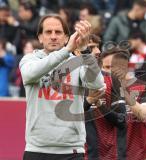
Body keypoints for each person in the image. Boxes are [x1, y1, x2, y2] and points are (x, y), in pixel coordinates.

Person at [20, 14, 105, 160]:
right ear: (40, 37)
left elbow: (97, 84)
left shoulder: (78, 61)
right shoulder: (30, 60)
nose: (53, 36)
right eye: (48, 32)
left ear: (67, 38)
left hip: (71, 149)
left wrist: (85, 49)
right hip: (37, 148)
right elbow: (29, 74)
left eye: (58, 32)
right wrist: (65, 51)